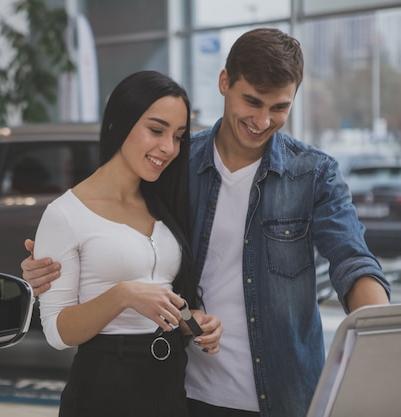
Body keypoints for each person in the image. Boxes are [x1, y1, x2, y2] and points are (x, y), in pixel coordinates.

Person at [22, 28, 391, 417]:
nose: (263, 120)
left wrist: (382, 336)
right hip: (188, 393)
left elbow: (353, 261)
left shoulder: (314, 174)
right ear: (224, 82)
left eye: (279, 107)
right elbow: (117, 231)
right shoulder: (177, 165)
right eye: (252, 101)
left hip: (286, 397)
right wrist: (45, 265)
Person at [32, 70, 222, 417]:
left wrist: (192, 321)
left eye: (178, 136)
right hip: (104, 388)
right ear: (118, 124)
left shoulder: (163, 202)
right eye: (156, 130)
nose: (169, 148)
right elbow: (58, 332)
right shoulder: (65, 214)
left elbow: (159, 294)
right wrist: (123, 295)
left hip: (169, 383)